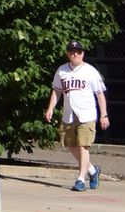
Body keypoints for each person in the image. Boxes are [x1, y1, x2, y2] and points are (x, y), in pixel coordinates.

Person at [44, 41, 109, 191]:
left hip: (87, 114)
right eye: (72, 52)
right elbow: (57, 91)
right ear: (67, 54)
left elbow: (100, 94)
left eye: (78, 52)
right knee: (71, 146)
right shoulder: (62, 71)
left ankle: (80, 179)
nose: (75, 54)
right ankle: (93, 170)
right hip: (69, 115)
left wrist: (103, 115)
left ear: (83, 54)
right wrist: (50, 108)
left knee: (83, 146)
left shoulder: (90, 71)